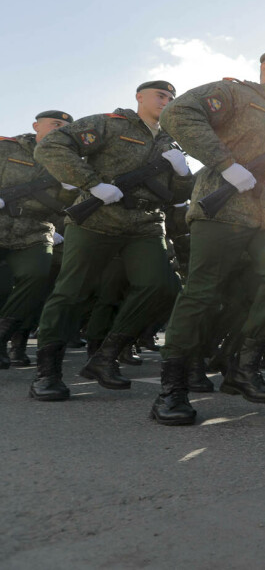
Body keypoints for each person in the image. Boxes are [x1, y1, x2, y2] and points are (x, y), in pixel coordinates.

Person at [152, 51, 265, 425]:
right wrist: (226, 163)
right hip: (224, 209)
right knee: (203, 291)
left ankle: (243, 365)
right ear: (264, 70)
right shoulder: (235, 94)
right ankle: (172, 387)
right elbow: (177, 113)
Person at [30, 82, 191, 401]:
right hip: (97, 221)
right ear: (139, 97)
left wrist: (184, 172)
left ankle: (106, 356)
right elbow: (50, 148)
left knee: (163, 286)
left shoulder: (171, 142)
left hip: (145, 226)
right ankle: (47, 372)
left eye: (172, 99)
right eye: (160, 95)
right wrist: (91, 183)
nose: (166, 101)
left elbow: (177, 197)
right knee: (71, 291)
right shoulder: (108, 124)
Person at [0, 111, 75, 369]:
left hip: (36, 230)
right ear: (36, 126)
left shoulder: (67, 161)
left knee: (37, 276)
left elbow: (67, 205)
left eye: (66, 127)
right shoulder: (7, 147)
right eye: (55, 124)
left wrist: (69, 191)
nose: (60, 129)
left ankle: (5, 337)